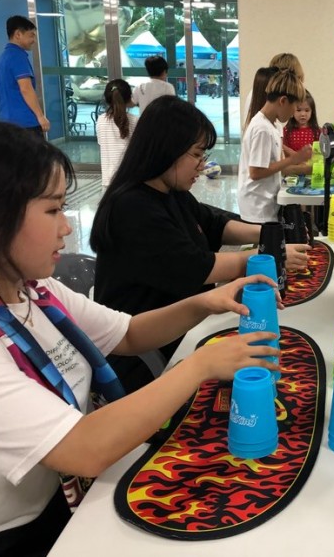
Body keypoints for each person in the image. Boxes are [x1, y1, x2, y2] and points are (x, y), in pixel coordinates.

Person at [0, 121, 280, 555]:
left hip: (69, 497)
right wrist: (201, 365)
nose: (67, 228)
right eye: (52, 210)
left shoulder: (32, 290)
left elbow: (128, 333)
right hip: (2, 538)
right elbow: (84, 449)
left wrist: (205, 303)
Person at [90, 96, 309, 392]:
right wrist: (268, 254)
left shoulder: (171, 191)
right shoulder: (132, 208)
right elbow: (196, 267)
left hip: (186, 329)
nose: (202, 165)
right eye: (196, 154)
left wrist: (270, 235)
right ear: (166, 150)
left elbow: (215, 224)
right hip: (148, 355)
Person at [238, 69, 312, 224]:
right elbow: (256, 172)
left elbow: (273, 165)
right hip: (257, 209)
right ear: (283, 101)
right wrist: (293, 159)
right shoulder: (262, 129)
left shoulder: (271, 125)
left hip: (265, 205)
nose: (293, 113)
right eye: (295, 107)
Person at [0, 15, 50, 139]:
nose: (34, 40)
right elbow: (26, 88)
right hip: (25, 123)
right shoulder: (18, 57)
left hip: (8, 122)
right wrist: (40, 116)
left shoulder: (2, 57)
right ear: (18, 34)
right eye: (31, 35)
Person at [96, 79, 137, 187]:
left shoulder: (101, 120)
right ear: (129, 98)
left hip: (108, 180)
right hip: (129, 180)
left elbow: (101, 143)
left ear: (107, 98)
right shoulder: (134, 121)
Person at [282, 90, 321, 177]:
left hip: (311, 172)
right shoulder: (286, 131)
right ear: (292, 110)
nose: (303, 114)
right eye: (299, 110)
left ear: (312, 112)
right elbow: (284, 153)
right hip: (292, 172)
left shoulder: (318, 131)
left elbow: (319, 155)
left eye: (307, 110)